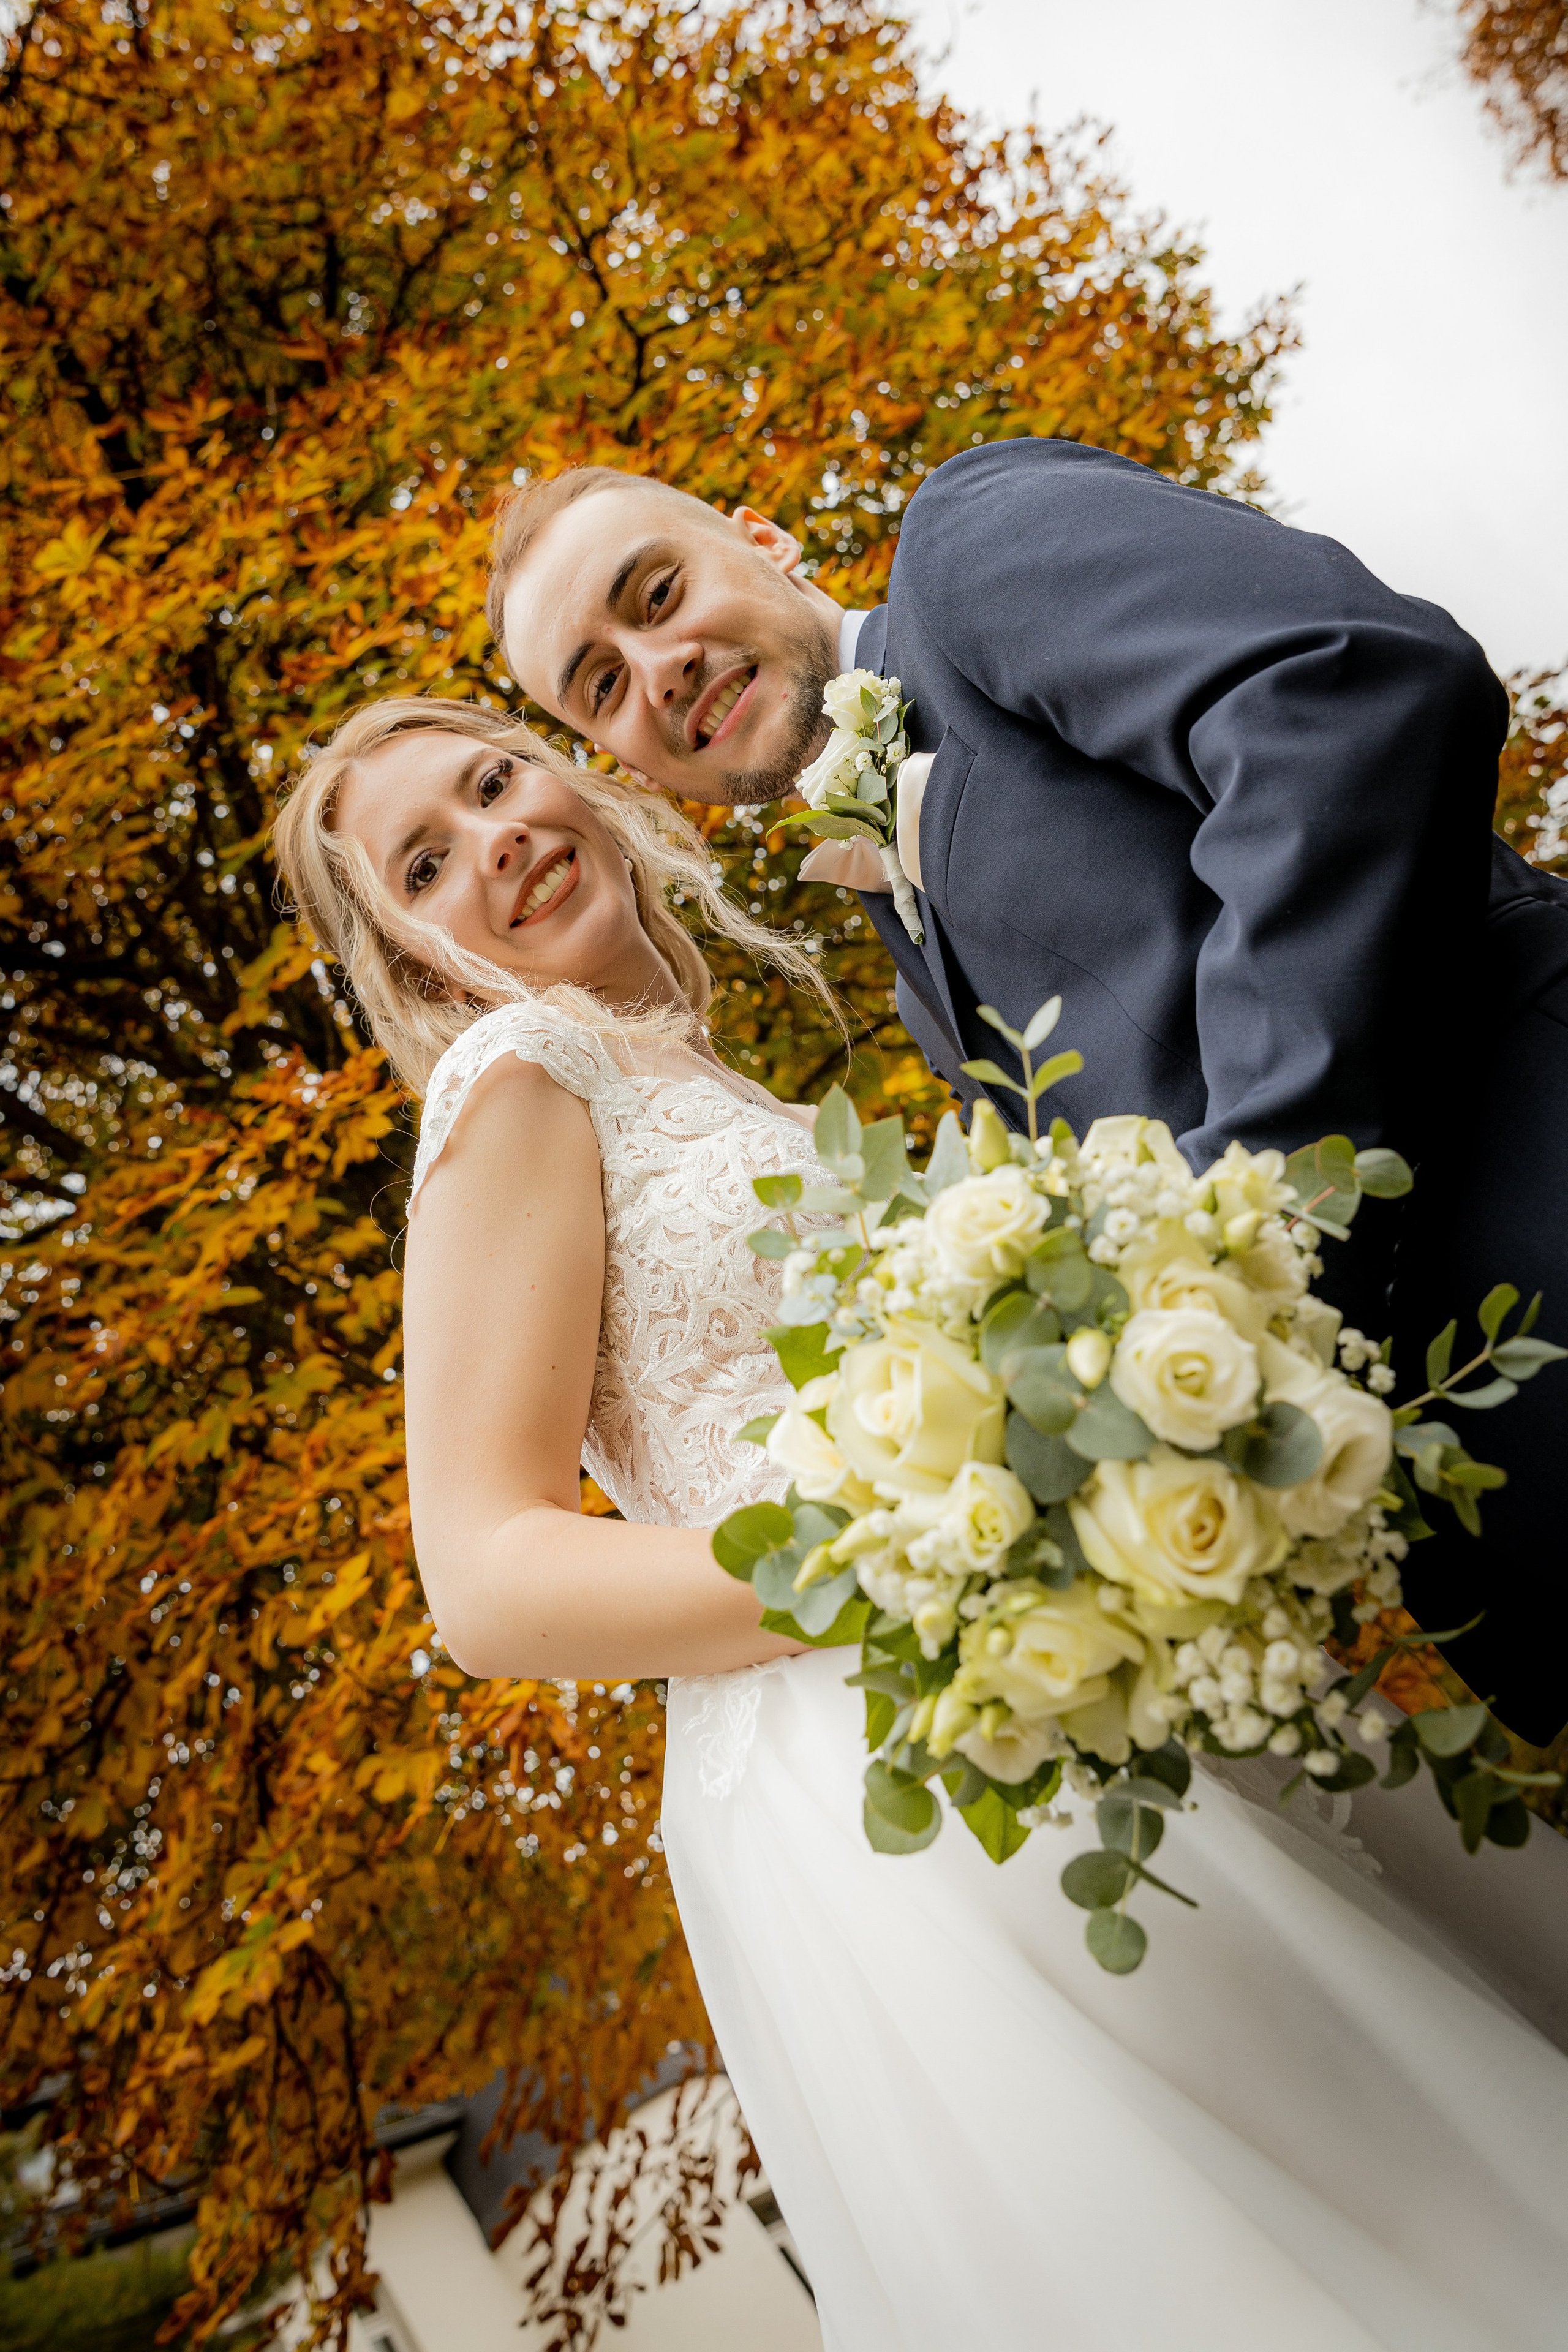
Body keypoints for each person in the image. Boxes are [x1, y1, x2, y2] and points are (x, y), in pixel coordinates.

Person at [273, 695, 1568, 2352]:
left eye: (493, 778)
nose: (496, 837)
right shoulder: (522, 1069)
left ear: (570, 782)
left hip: (1036, 1650)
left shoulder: (680, 1066)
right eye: (428, 862)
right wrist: (895, 1559)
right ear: (421, 958)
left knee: (1394, 2137)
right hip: (892, 1742)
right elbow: (487, 1577)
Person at [487, 440, 1568, 1748]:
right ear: (619, 755)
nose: (656, 671)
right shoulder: (910, 969)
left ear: (764, 540)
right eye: (600, 684)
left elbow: (1342, 694)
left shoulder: (965, 548)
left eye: (654, 597)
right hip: (1483, 1495)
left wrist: (1256, 1239)